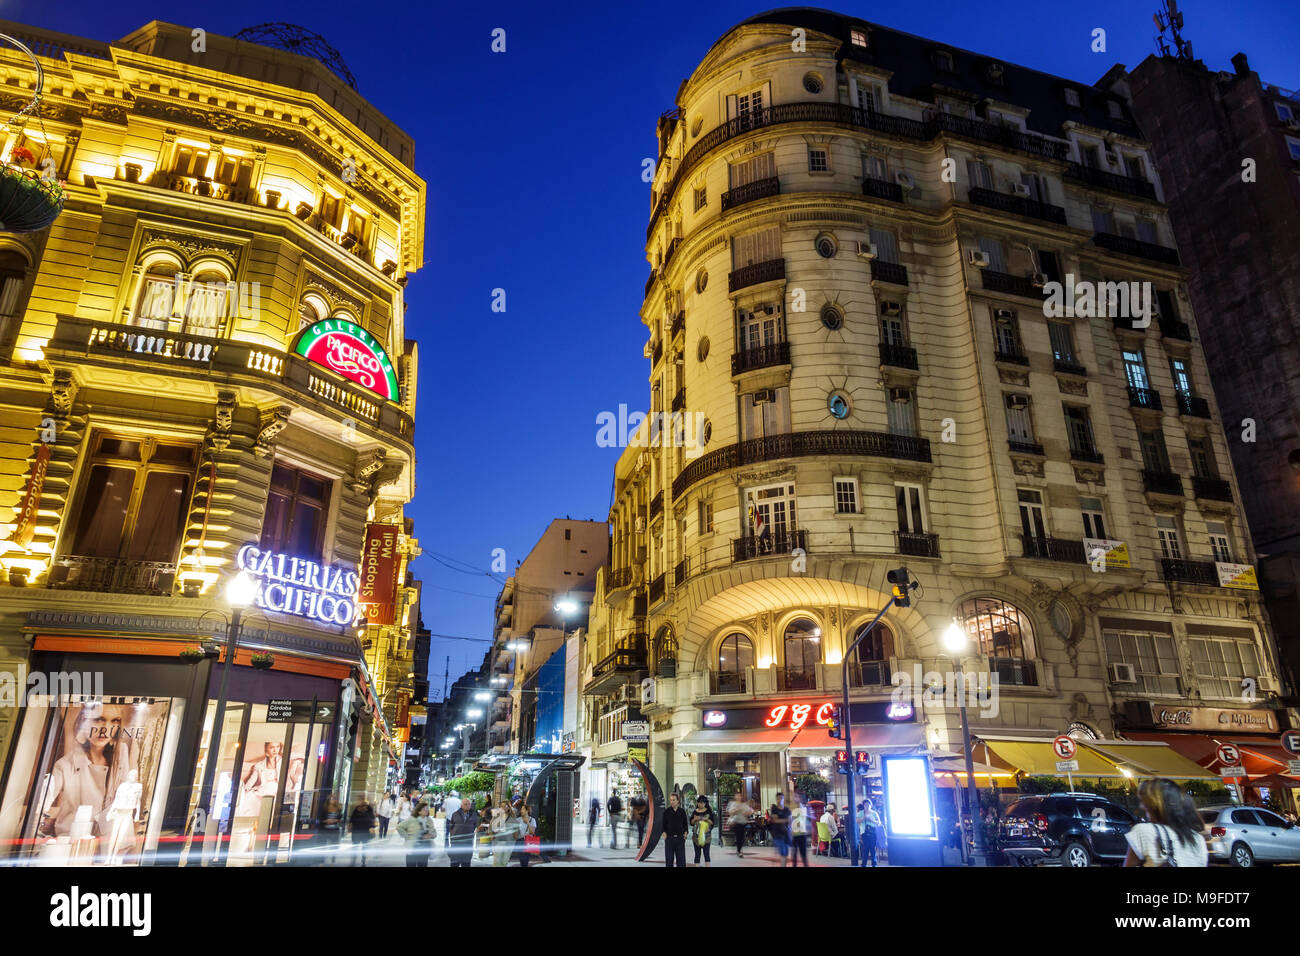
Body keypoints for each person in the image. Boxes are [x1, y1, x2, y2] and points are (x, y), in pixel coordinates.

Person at [1123, 778, 1208, 867]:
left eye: (1144, 802)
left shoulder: (1144, 831)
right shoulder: (1198, 839)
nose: (1141, 806)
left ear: (1155, 805)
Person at [396, 800, 435, 867]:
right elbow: (399, 827)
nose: (427, 810)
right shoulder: (411, 819)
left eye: (427, 809)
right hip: (412, 849)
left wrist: (431, 835)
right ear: (419, 811)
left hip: (424, 849)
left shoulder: (429, 820)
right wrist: (407, 837)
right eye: (425, 809)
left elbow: (434, 832)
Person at [448, 797, 479, 868]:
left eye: (469, 804)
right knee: (454, 864)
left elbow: (474, 826)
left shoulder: (474, 814)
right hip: (456, 844)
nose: (468, 806)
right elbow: (451, 828)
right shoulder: (455, 814)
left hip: (468, 845)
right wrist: (452, 840)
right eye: (466, 804)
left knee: (466, 864)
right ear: (461, 805)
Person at [349, 795, 376, 867]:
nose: (361, 801)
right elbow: (352, 819)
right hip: (357, 831)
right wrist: (350, 825)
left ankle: (363, 862)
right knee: (355, 847)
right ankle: (354, 861)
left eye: (363, 800)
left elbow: (371, 819)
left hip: (365, 831)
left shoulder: (369, 809)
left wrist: (371, 828)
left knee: (363, 847)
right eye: (360, 800)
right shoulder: (356, 809)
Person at [663, 792, 688, 867]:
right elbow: (663, 826)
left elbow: (685, 825)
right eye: (670, 800)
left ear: (678, 801)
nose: (672, 802)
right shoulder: (666, 812)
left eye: (673, 800)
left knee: (681, 861)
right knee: (669, 861)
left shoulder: (682, 812)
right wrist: (665, 835)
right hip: (669, 839)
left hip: (680, 839)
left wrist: (685, 834)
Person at [727, 792, 755, 857]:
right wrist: (738, 810)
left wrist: (747, 811)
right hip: (735, 822)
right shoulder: (733, 804)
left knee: (741, 837)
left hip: (743, 822)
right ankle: (739, 851)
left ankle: (739, 850)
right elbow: (730, 812)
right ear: (735, 797)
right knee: (738, 837)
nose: (739, 797)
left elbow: (749, 812)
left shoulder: (743, 804)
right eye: (737, 796)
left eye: (740, 796)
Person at [690, 797, 716, 866]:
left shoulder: (709, 811)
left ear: (705, 803)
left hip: (706, 836)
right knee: (697, 854)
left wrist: (706, 819)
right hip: (696, 836)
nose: (700, 804)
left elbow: (712, 822)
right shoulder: (695, 811)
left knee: (706, 854)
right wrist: (695, 819)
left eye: (702, 803)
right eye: (699, 802)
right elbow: (691, 822)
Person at [318, 795, 343, 866]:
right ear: (328, 800)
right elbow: (321, 819)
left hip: (335, 830)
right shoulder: (325, 809)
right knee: (323, 846)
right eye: (330, 799)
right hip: (325, 829)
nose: (332, 800)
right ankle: (322, 861)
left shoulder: (339, 809)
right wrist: (326, 821)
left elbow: (340, 819)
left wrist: (335, 820)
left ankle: (332, 861)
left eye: (333, 799)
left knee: (334, 846)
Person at [490, 802, 517, 867]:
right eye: (501, 806)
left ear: (508, 808)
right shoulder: (496, 817)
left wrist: (514, 839)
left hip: (509, 843)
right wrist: (492, 835)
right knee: (497, 862)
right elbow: (490, 828)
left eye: (505, 806)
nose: (503, 808)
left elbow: (516, 830)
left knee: (504, 862)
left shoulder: (512, 818)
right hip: (498, 842)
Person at [769, 792, 792, 864]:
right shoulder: (774, 809)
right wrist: (786, 820)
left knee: (785, 853)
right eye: (778, 798)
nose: (780, 800)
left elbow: (790, 820)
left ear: (783, 799)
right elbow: (775, 820)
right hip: (777, 834)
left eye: (781, 798)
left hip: (786, 834)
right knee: (783, 852)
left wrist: (790, 829)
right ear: (776, 799)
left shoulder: (787, 809)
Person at [789, 792, 811, 867]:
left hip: (802, 834)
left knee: (803, 854)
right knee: (794, 855)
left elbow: (806, 820)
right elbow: (790, 821)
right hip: (794, 834)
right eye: (794, 796)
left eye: (797, 796)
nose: (796, 798)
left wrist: (809, 828)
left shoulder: (803, 808)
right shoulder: (792, 809)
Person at [858, 800, 881, 867]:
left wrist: (872, 820)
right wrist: (864, 818)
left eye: (868, 805)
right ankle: (863, 864)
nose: (867, 806)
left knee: (873, 849)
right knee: (865, 849)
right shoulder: (861, 813)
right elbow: (857, 821)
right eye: (865, 805)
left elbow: (879, 823)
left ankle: (874, 864)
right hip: (864, 833)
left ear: (871, 805)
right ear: (863, 806)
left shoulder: (874, 813)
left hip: (873, 833)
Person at [515, 802, 538, 866]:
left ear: (527, 811)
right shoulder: (518, 820)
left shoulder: (532, 820)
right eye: (521, 809)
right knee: (521, 860)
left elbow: (532, 832)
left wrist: (528, 822)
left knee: (526, 859)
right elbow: (515, 831)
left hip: (528, 841)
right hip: (520, 841)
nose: (521, 811)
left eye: (523, 809)